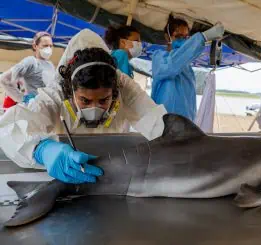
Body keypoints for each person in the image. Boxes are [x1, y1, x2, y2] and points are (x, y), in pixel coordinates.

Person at [0, 29, 167, 184]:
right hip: (65, 178)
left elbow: (157, 122)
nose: (94, 109)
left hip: (114, 177)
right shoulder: (57, 93)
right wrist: (42, 150)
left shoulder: (124, 88)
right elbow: (8, 128)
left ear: (114, 91)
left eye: (103, 100)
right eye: (85, 100)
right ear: (70, 90)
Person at [151, 14, 224, 121]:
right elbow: (172, 66)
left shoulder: (187, 67)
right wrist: (203, 37)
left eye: (186, 37)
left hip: (186, 122)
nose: (183, 41)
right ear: (167, 37)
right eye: (178, 36)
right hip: (163, 122)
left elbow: (189, 102)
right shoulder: (159, 57)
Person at [0, 32, 55, 105]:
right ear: (35, 46)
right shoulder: (31, 62)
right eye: (45, 46)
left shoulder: (50, 65)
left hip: (49, 108)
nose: (49, 49)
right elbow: (4, 79)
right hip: (33, 110)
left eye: (50, 46)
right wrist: (21, 98)